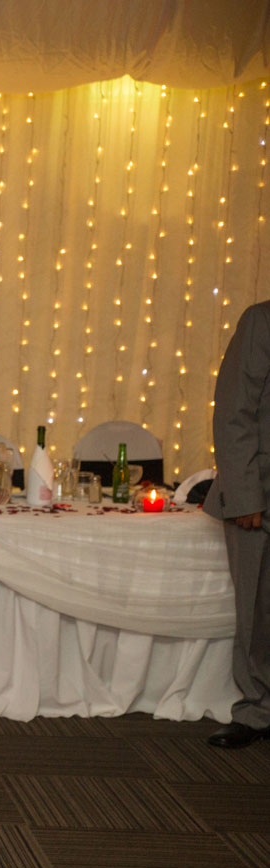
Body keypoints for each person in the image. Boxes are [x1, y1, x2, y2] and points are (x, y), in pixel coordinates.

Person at [204, 300, 270, 749]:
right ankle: (257, 710)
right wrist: (245, 495)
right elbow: (232, 412)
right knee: (258, 613)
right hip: (260, 494)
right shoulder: (262, 320)